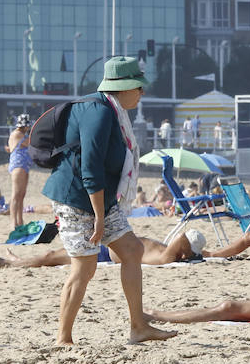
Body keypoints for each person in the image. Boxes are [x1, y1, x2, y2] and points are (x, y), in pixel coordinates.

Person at [41, 56, 175, 345]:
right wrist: (100, 217)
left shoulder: (112, 111)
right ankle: (63, 338)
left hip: (98, 198)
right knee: (84, 267)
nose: (142, 93)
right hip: (76, 198)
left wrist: (103, 211)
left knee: (132, 249)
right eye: (138, 87)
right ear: (123, 87)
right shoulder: (98, 112)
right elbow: (90, 167)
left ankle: (138, 327)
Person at [0, 229, 208, 269]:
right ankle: (17, 260)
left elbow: (180, 237)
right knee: (54, 254)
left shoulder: (168, 257)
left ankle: (9, 263)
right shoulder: (171, 252)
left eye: (186, 244)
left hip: (105, 255)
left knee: (51, 256)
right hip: (110, 245)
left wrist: (188, 249)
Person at [5, 113, 32, 230]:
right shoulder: (18, 134)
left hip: (24, 165)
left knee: (21, 195)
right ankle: (12, 222)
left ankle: (20, 221)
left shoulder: (21, 134)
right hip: (18, 165)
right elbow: (30, 142)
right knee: (16, 194)